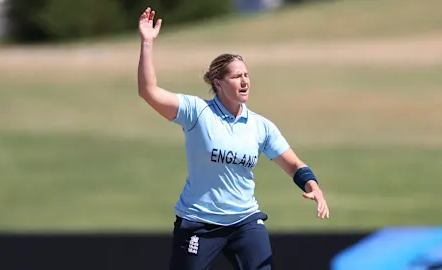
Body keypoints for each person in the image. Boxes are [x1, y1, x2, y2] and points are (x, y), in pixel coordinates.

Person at [136, 7, 330, 270]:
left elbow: (294, 165)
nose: (245, 81)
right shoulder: (197, 112)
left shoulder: (260, 126)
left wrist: (313, 187)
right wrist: (147, 42)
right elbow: (148, 91)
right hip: (199, 223)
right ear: (218, 82)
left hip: (245, 222)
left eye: (247, 75)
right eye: (237, 76)